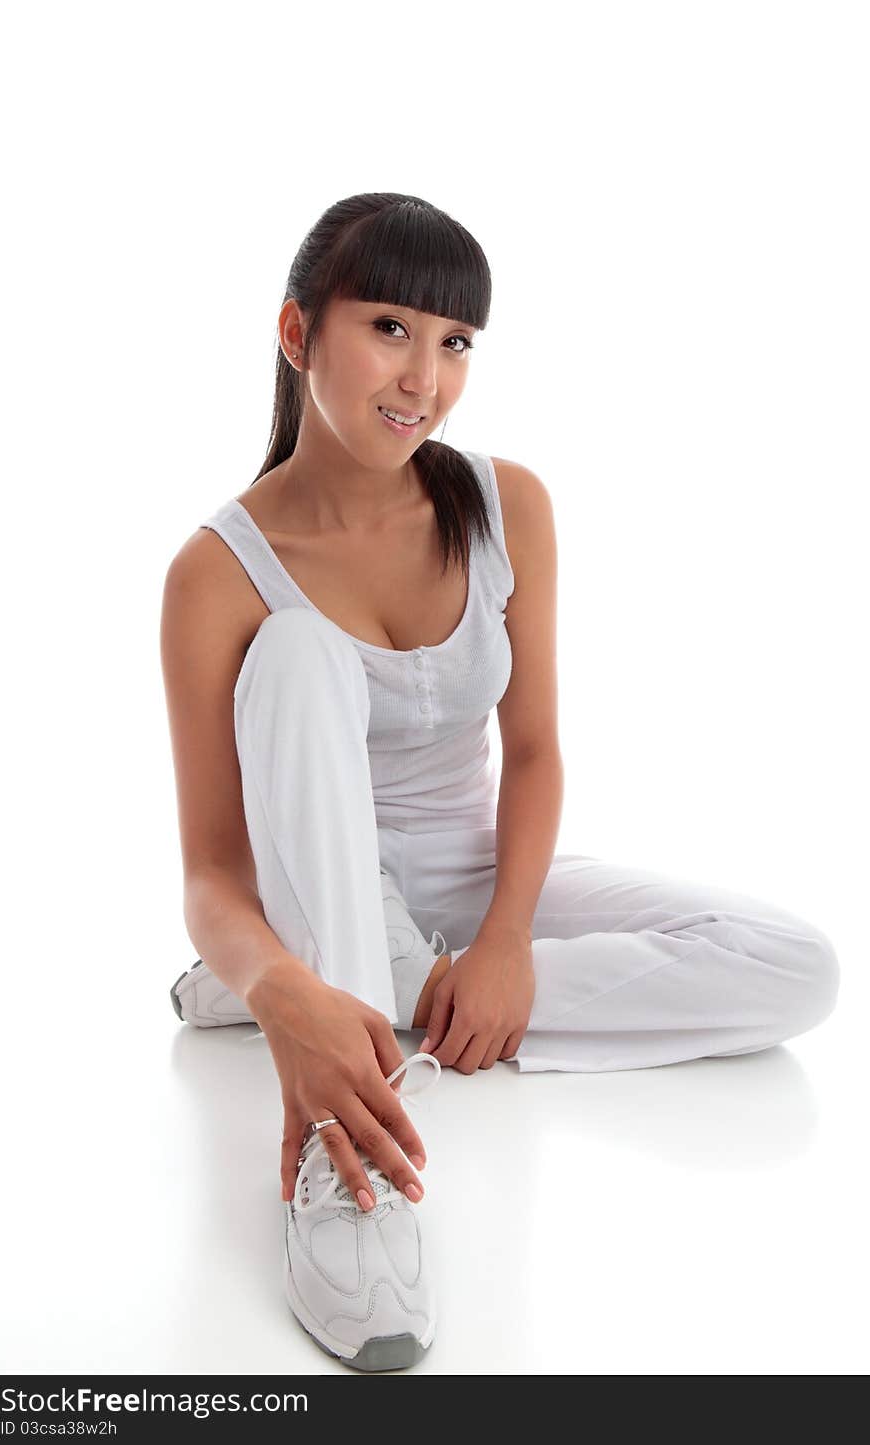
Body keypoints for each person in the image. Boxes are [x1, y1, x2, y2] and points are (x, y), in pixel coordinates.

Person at [160, 191, 840, 1372]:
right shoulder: (216, 573)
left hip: (475, 878)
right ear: (296, 333)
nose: (422, 375)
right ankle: (346, 1140)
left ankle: (367, 1005)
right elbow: (215, 872)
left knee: (796, 966)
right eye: (388, 327)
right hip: (324, 888)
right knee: (304, 648)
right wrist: (279, 963)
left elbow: (532, 752)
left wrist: (511, 941)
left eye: (455, 341)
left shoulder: (503, 502)